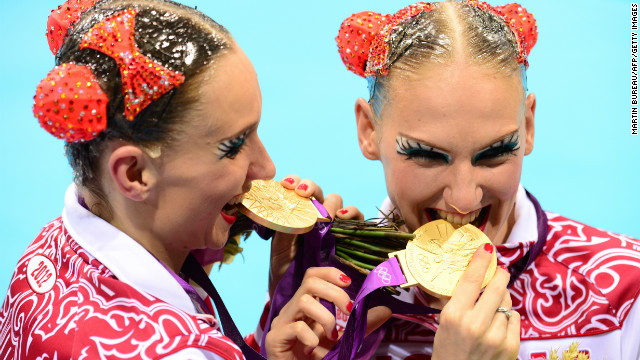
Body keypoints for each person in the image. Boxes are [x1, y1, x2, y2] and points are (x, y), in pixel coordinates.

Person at [0, 0, 357, 358]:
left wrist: (278, 313)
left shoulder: (50, 252)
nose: (267, 168)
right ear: (134, 174)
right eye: (233, 146)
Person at [328, 1, 640, 359]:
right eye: (427, 155)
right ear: (369, 130)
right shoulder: (326, 297)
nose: (464, 198)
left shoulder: (626, 292)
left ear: (528, 126)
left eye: (494, 153)